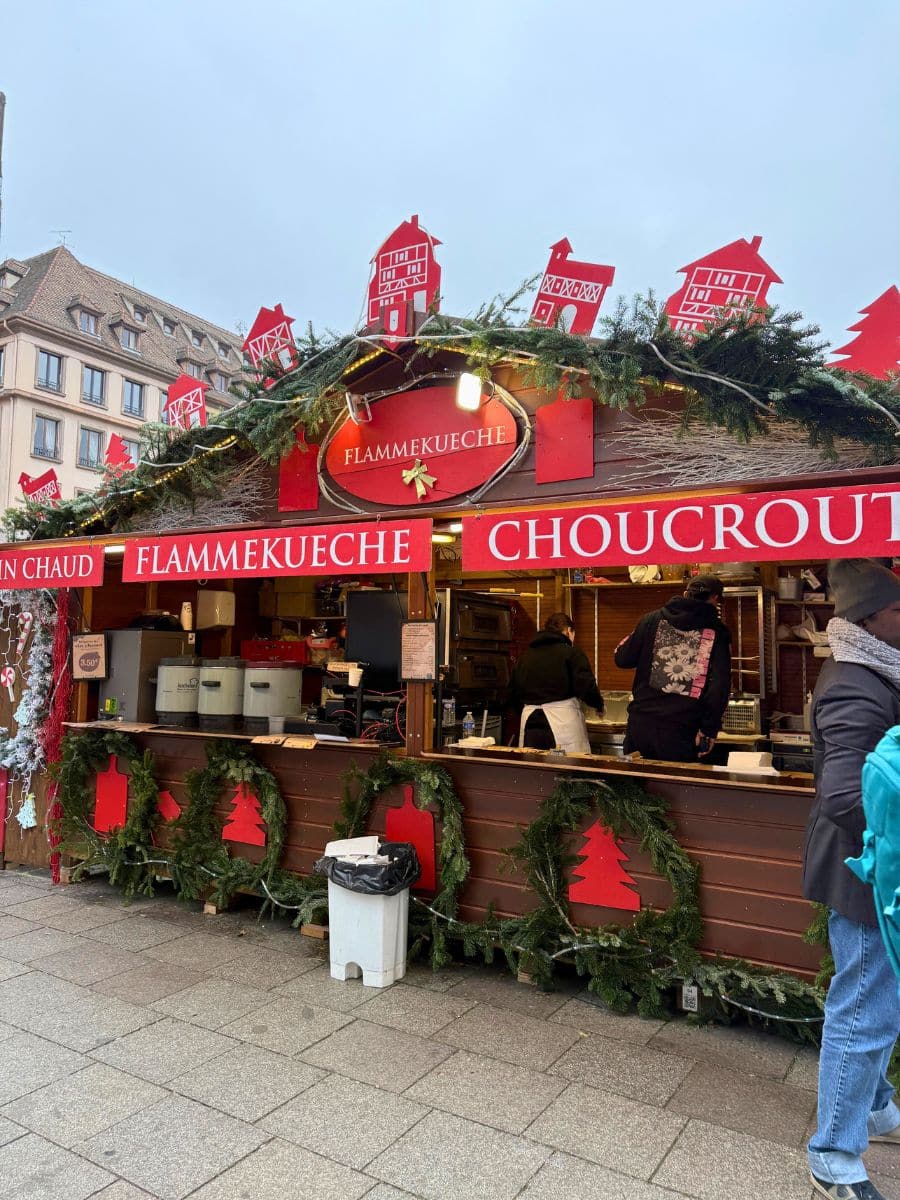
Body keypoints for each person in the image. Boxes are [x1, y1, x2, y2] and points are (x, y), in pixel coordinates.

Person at [803, 558, 900, 1200]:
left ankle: (878, 1108)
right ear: (869, 619)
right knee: (865, 1006)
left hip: (879, 866)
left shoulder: (879, 667)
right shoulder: (854, 686)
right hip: (865, 874)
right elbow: (845, 796)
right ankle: (834, 1156)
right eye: (899, 610)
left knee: (881, 995)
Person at [613, 575, 732, 762]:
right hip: (682, 730)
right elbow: (719, 686)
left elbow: (622, 658)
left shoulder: (651, 620)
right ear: (715, 599)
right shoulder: (717, 632)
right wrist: (709, 729)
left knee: (637, 780)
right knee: (675, 780)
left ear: (685, 593)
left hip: (641, 724)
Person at [508, 612, 604, 754]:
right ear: (569, 631)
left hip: (530, 724)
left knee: (534, 766)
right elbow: (585, 686)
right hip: (563, 722)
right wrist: (598, 705)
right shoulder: (572, 653)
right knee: (567, 766)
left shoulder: (524, 657)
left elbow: (513, 693)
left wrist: (521, 710)